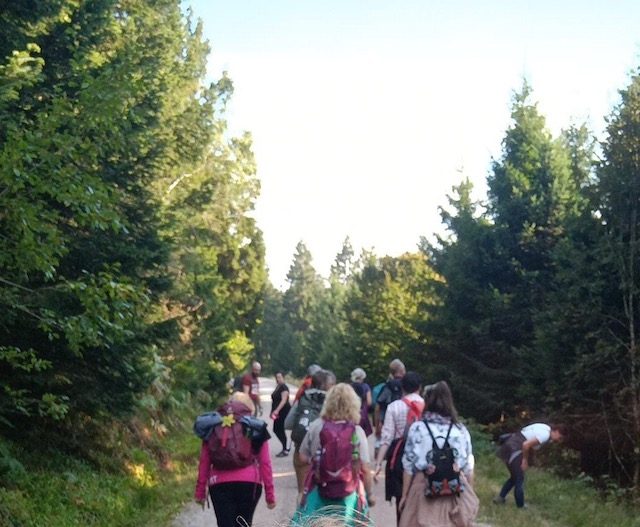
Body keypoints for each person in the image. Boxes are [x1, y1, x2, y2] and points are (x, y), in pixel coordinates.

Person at [294, 383, 375, 526]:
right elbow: (365, 468)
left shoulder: (317, 426)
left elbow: (302, 458)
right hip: (349, 495)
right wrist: (369, 494)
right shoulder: (357, 431)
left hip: (320, 490)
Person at [398, 381, 478, 527]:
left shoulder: (418, 428)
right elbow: (468, 466)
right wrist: (469, 492)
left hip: (424, 486)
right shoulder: (460, 430)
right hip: (455, 488)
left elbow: (408, 465)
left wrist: (405, 495)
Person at [195, 392, 276, 526]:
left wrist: (200, 491)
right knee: (243, 524)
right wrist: (270, 495)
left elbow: (204, 462)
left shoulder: (214, 425)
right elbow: (265, 463)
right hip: (249, 484)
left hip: (219, 484)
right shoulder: (254, 426)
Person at [374, 371, 424, 524]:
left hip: (399, 457)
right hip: (421, 456)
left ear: (402, 387)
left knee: (401, 500)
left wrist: (378, 463)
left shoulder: (394, 407)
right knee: (421, 499)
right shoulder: (426, 406)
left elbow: (387, 437)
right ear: (420, 387)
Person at [285, 369, 336, 504]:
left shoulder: (304, 397)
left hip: (301, 450)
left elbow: (288, 423)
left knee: (303, 492)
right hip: (327, 454)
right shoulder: (332, 402)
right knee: (326, 495)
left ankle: (301, 520)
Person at [493, 422, 568, 508]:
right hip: (516, 448)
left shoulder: (544, 427)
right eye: (560, 437)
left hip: (509, 445)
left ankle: (500, 498)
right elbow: (526, 445)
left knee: (515, 477)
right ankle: (520, 506)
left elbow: (528, 437)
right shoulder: (545, 435)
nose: (558, 440)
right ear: (557, 431)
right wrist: (524, 460)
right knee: (520, 479)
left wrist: (532, 460)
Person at [374, 359, 406, 454]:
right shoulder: (407, 386)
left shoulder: (387, 386)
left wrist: (377, 427)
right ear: (402, 371)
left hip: (388, 423)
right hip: (404, 422)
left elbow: (377, 407)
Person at [271, 371, 292, 457]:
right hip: (278, 412)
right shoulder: (278, 387)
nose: (278, 379)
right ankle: (285, 447)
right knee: (276, 429)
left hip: (283, 411)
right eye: (277, 377)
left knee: (279, 429)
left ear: (283, 378)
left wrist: (276, 410)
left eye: (279, 377)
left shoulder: (284, 387)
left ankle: (285, 449)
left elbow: (283, 401)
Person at [350, 368, 373, 437]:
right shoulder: (366, 387)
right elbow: (369, 402)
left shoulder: (350, 386)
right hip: (362, 412)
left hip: (351, 412)